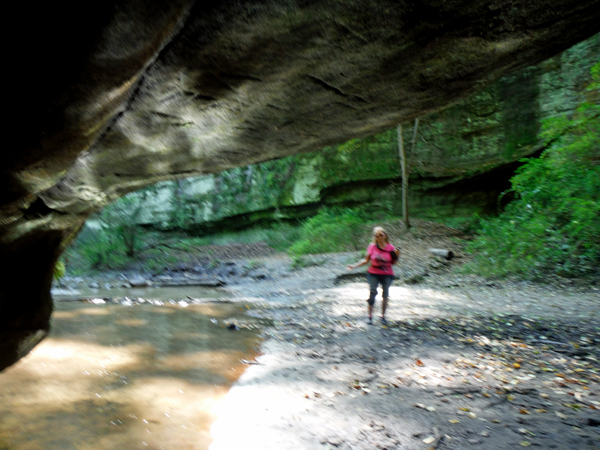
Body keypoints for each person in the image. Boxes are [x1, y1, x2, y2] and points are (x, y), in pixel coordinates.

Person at [347, 226, 400, 324]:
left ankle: (383, 317)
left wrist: (397, 255)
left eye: (381, 235)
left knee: (385, 295)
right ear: (374, 237)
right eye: (376, 235)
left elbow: (393, 263)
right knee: (372, 292)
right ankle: (370, 317)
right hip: (374, 273)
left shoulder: (391, 248)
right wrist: (354, 266)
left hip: (387, 273)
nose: (379, 237)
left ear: (385, 235)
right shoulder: (372, 246)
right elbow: (366, 260)